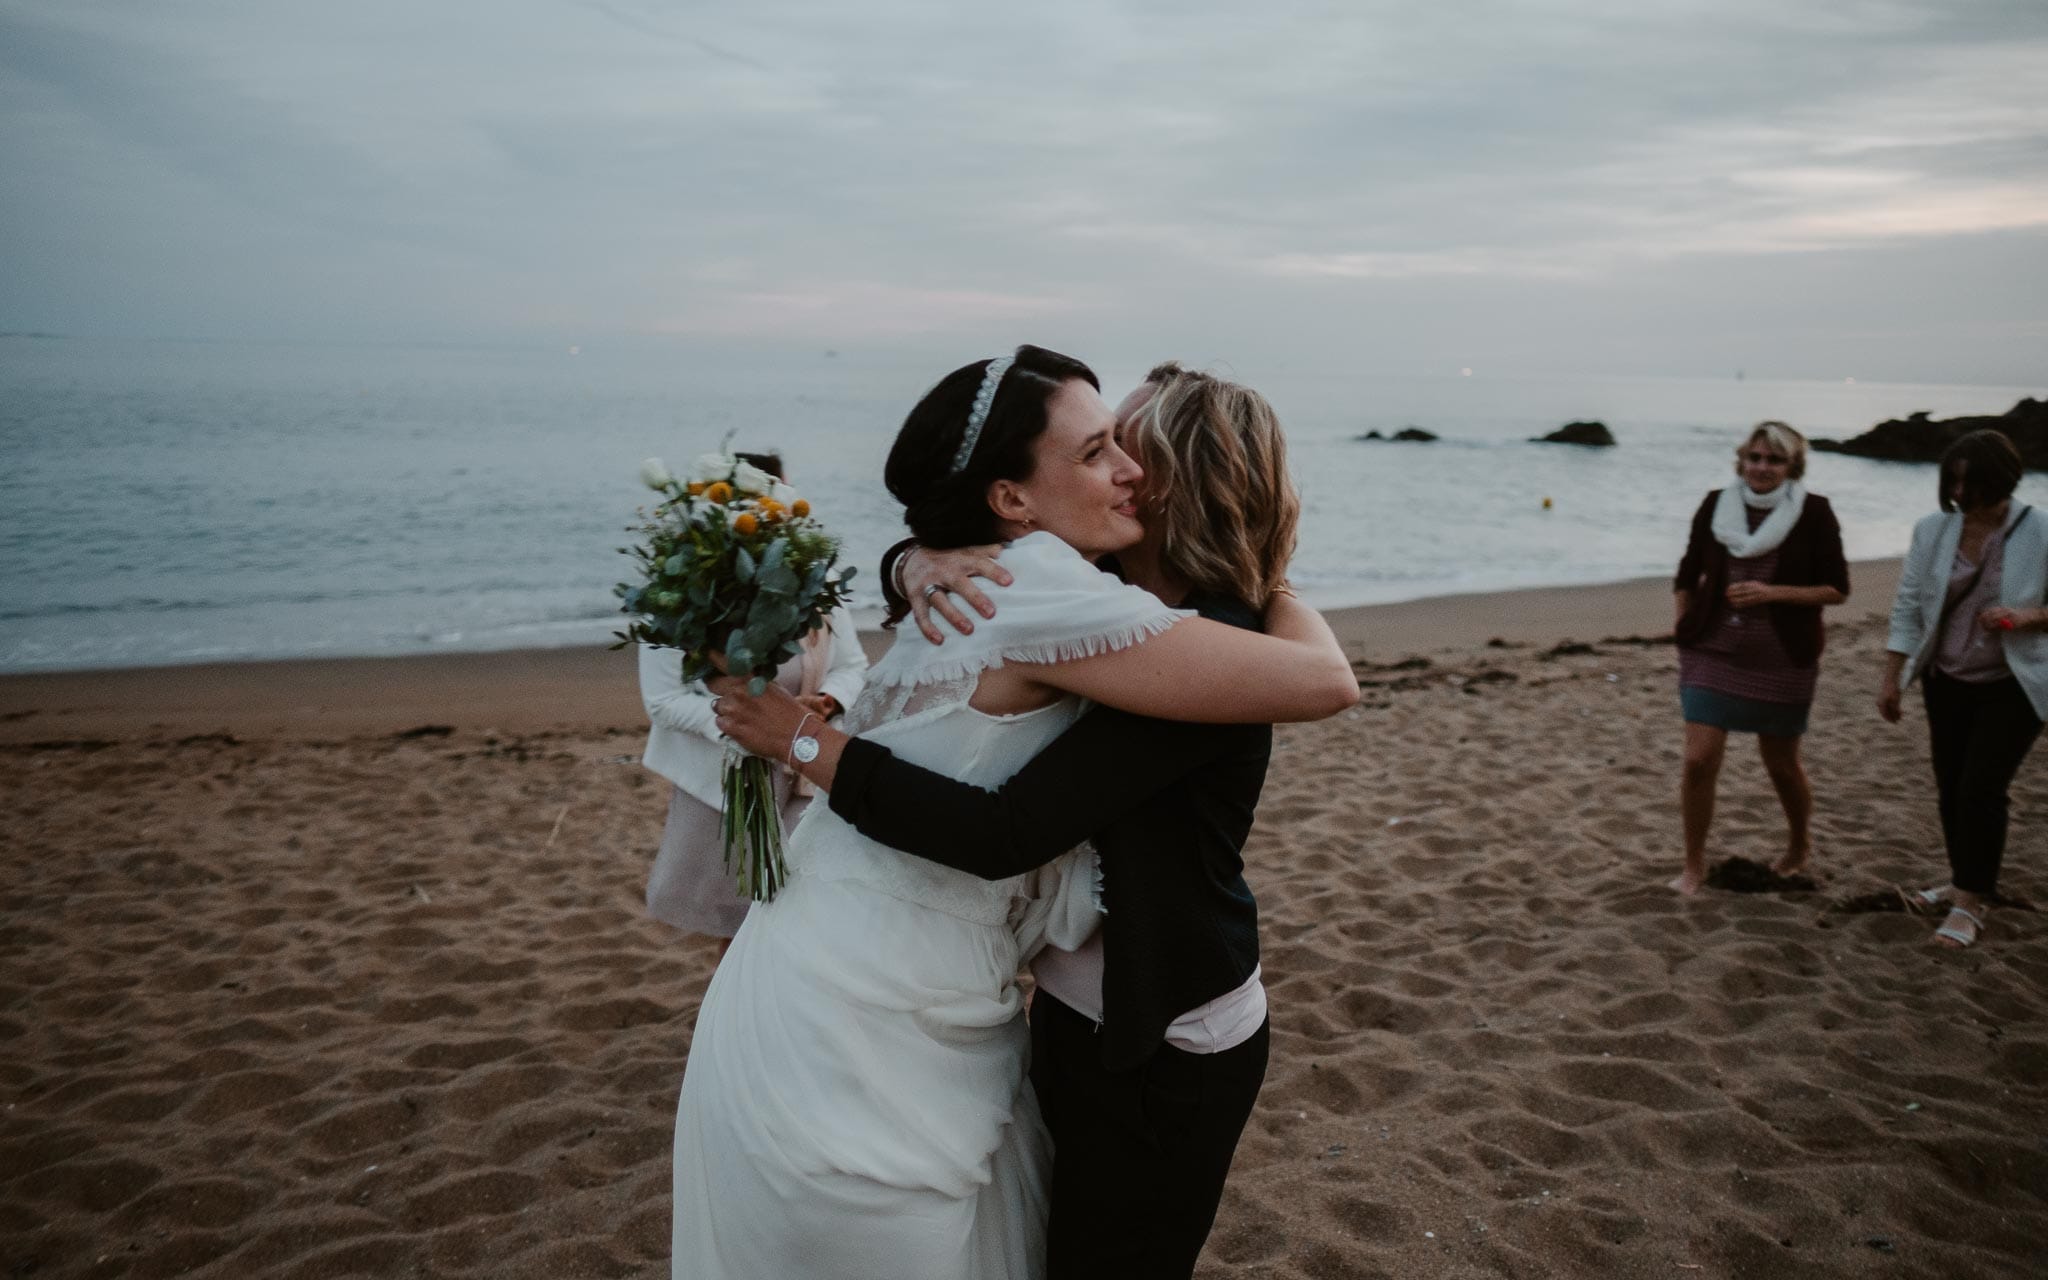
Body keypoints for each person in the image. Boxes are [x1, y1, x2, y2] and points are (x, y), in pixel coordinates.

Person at [667, 346, 1358, 1280]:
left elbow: (1006, 831)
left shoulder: (1201, 646)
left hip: (1160, 1023)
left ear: (1184, 483)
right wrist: (915, 559)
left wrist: (803, 742)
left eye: (1130, 447)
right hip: (1027, 1000)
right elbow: (981, 610)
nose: (1121, 469)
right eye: (1101, 447)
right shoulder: (1070, 589)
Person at [636, 451, 868, 948]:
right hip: (725, 783)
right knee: (739, 927)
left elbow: (853, 664)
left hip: (807, 773)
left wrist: (825, 701)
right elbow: (662, 701)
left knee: (803, 918)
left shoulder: (814, 578)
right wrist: (743, 724)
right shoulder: (683, 586)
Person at [1878, 429, 2047, 948]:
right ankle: (1961, 879)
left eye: (1968, 481)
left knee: (1981, 788)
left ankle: (1971, 904)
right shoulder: (1932, 530)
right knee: (1951, 785)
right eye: (1950, 479)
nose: (1957, 492)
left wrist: (2027, 616)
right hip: (1945, 676)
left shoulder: (2040, 530)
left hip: (2014, 681)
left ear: (2000, 480)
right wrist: (1893, 676)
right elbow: (1909, 604)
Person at [1670, 421, 1849, 894]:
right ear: (1740, 461)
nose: (1761, 467)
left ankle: (1798, 845)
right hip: (1711, 651)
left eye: (1774, 460)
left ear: (1793, 466)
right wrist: (1684, 629)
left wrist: (1773, 592)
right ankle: (1693, 865)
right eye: (1754, 457)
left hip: (1781, 656)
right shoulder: (1715, 504)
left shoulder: (1813, 512)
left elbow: (1836, 590)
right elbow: (1686, 573)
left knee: (1781, 763)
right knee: (1697, 760)